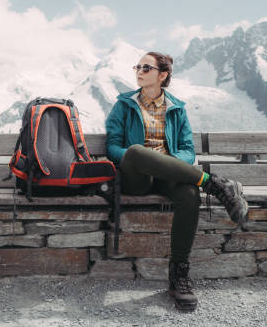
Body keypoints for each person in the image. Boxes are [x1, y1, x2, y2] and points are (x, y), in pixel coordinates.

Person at [105, 51, 248, 312]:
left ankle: (179, 275)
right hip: (136, 176)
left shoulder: (176, 108)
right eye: (137, 66)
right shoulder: (123, 105)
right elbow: (112, 146)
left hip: (168, 174)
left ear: (163, 75)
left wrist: (168, 164)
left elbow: (187, 150)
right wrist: (140, 158)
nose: (139, 71)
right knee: (137, 150)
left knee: (188, 194)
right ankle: (214, 184)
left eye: (146, 68)